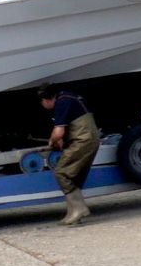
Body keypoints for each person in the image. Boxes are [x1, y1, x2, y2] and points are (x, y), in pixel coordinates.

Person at [37, 85, 99, 225]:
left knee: (61, 172)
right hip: (89, 139)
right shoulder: (70, 97)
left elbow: (59, 132)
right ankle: (73, 213)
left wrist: (52, 141)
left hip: (82, 141)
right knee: (73, 177)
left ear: (45, 100)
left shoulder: (61, 102)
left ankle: (79, 209)